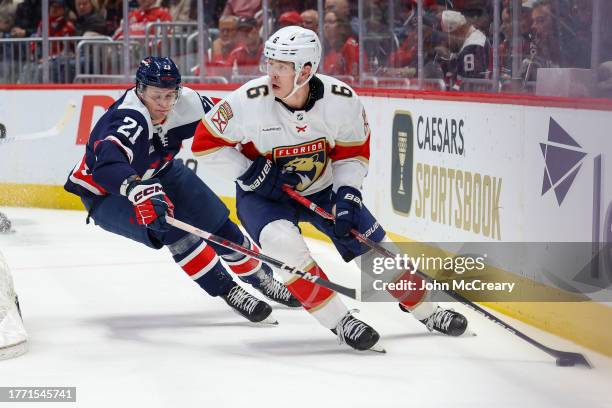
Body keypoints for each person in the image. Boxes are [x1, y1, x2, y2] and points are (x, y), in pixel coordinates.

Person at [192, 26, 468, 352]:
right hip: (263, 196)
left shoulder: (342, 100)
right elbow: (205, 144)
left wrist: (348, 192)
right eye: (270, 63)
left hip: (323, 189)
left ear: (306, 70)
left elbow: (352, 152)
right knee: (284, 247)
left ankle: (427, 310)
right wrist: (251, 172)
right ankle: (341, 321)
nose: (271, 73)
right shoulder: (247, 100)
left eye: (281, 66)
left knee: (376, 248)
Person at [64, 57, 300, 325]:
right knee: (170, 228)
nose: (164, 104)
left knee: (219, 224)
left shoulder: (188, 102)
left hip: (162, 172)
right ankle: (229, 290)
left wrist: (260, 153)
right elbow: (106, 165)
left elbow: (232, 122)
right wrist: (135, 189)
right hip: (107, 193)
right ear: (140, 91)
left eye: (170, 95)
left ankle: (262, 279)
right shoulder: (127, 118)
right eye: (156, 96)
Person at [439, 10, 491, 91]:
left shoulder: (472, 46)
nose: (447, 41)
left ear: (457, 30)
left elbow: (469, 86)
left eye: (448, 35)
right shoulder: (473, 38)